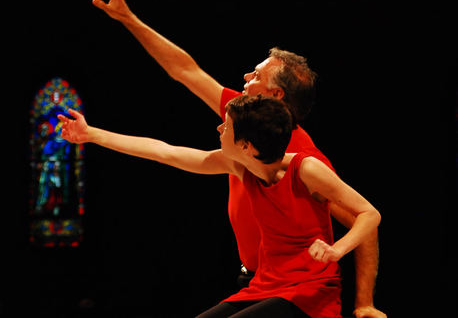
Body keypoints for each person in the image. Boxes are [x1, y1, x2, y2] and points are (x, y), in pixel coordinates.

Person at [92, 0, 386, 318]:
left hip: (300, 292)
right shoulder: (240, 135)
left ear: (275, 95)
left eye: (256, 75)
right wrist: (130, 19)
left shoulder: (302, 161)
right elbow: (184, 74)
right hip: (259, 283)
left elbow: (364, 219)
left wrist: (364, 303)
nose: (245, 77)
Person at [58, 94, 381, 318]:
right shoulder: (242, 167)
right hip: (267, 285)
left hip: (310, 291)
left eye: (225, 126)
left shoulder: (306, 170)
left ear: (246, 145)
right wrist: (92, 134)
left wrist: (337, 250)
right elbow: (165, 152)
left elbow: (369, 213)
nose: (218, 128)